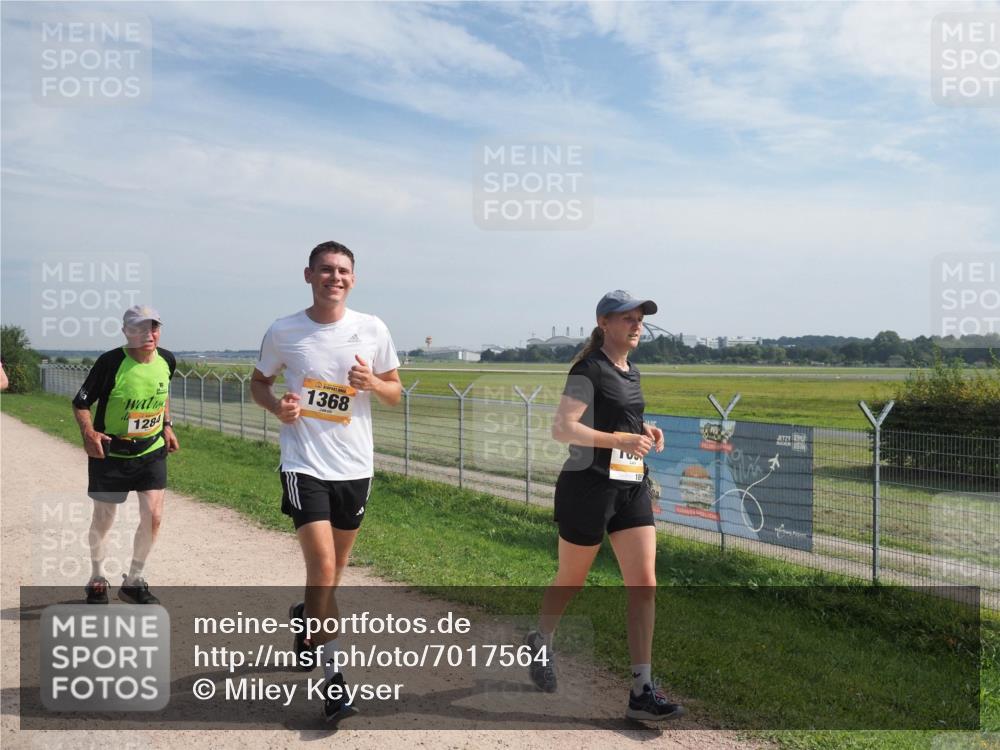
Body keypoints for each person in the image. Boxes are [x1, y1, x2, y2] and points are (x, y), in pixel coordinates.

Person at [250, 240, 401, 725]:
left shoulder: (373, 328)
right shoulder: (284, 330)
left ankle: (305, 617)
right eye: (325, 270)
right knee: (323, 569)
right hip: (305, 465)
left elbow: (395, 393)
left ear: (353, 279)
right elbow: (259, 382)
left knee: (333, 575)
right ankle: (335, 685)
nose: (334, 277)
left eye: (342, 271)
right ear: (308, 275)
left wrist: (372, 384)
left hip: (355, 467)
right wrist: (278, 407)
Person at [524, 290, 684, 722]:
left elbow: (616, 417)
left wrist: (643, 429)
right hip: (588, 488)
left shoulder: (631, 371)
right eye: (627, 319)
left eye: (640, 319)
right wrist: (620, 439)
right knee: (572, 580)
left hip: (630, 487)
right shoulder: (587, 369)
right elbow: (563, 428)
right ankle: (541, 638)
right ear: (603, 323)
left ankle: (641, 690)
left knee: (644, 582)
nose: (637, 326)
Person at [72, 305, 179, 605]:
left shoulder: (167, 360)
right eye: (140, 328)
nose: (148, 334)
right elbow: (80, 403)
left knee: (154, 516)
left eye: (154, 327)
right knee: (104, 519)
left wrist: (167, 425)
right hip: (111, 453)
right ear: (126, 331)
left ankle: (134, 580)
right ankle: (96, 578)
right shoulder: (110, 362)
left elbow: (162, 392)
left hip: (151, 449)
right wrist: (89, 433)